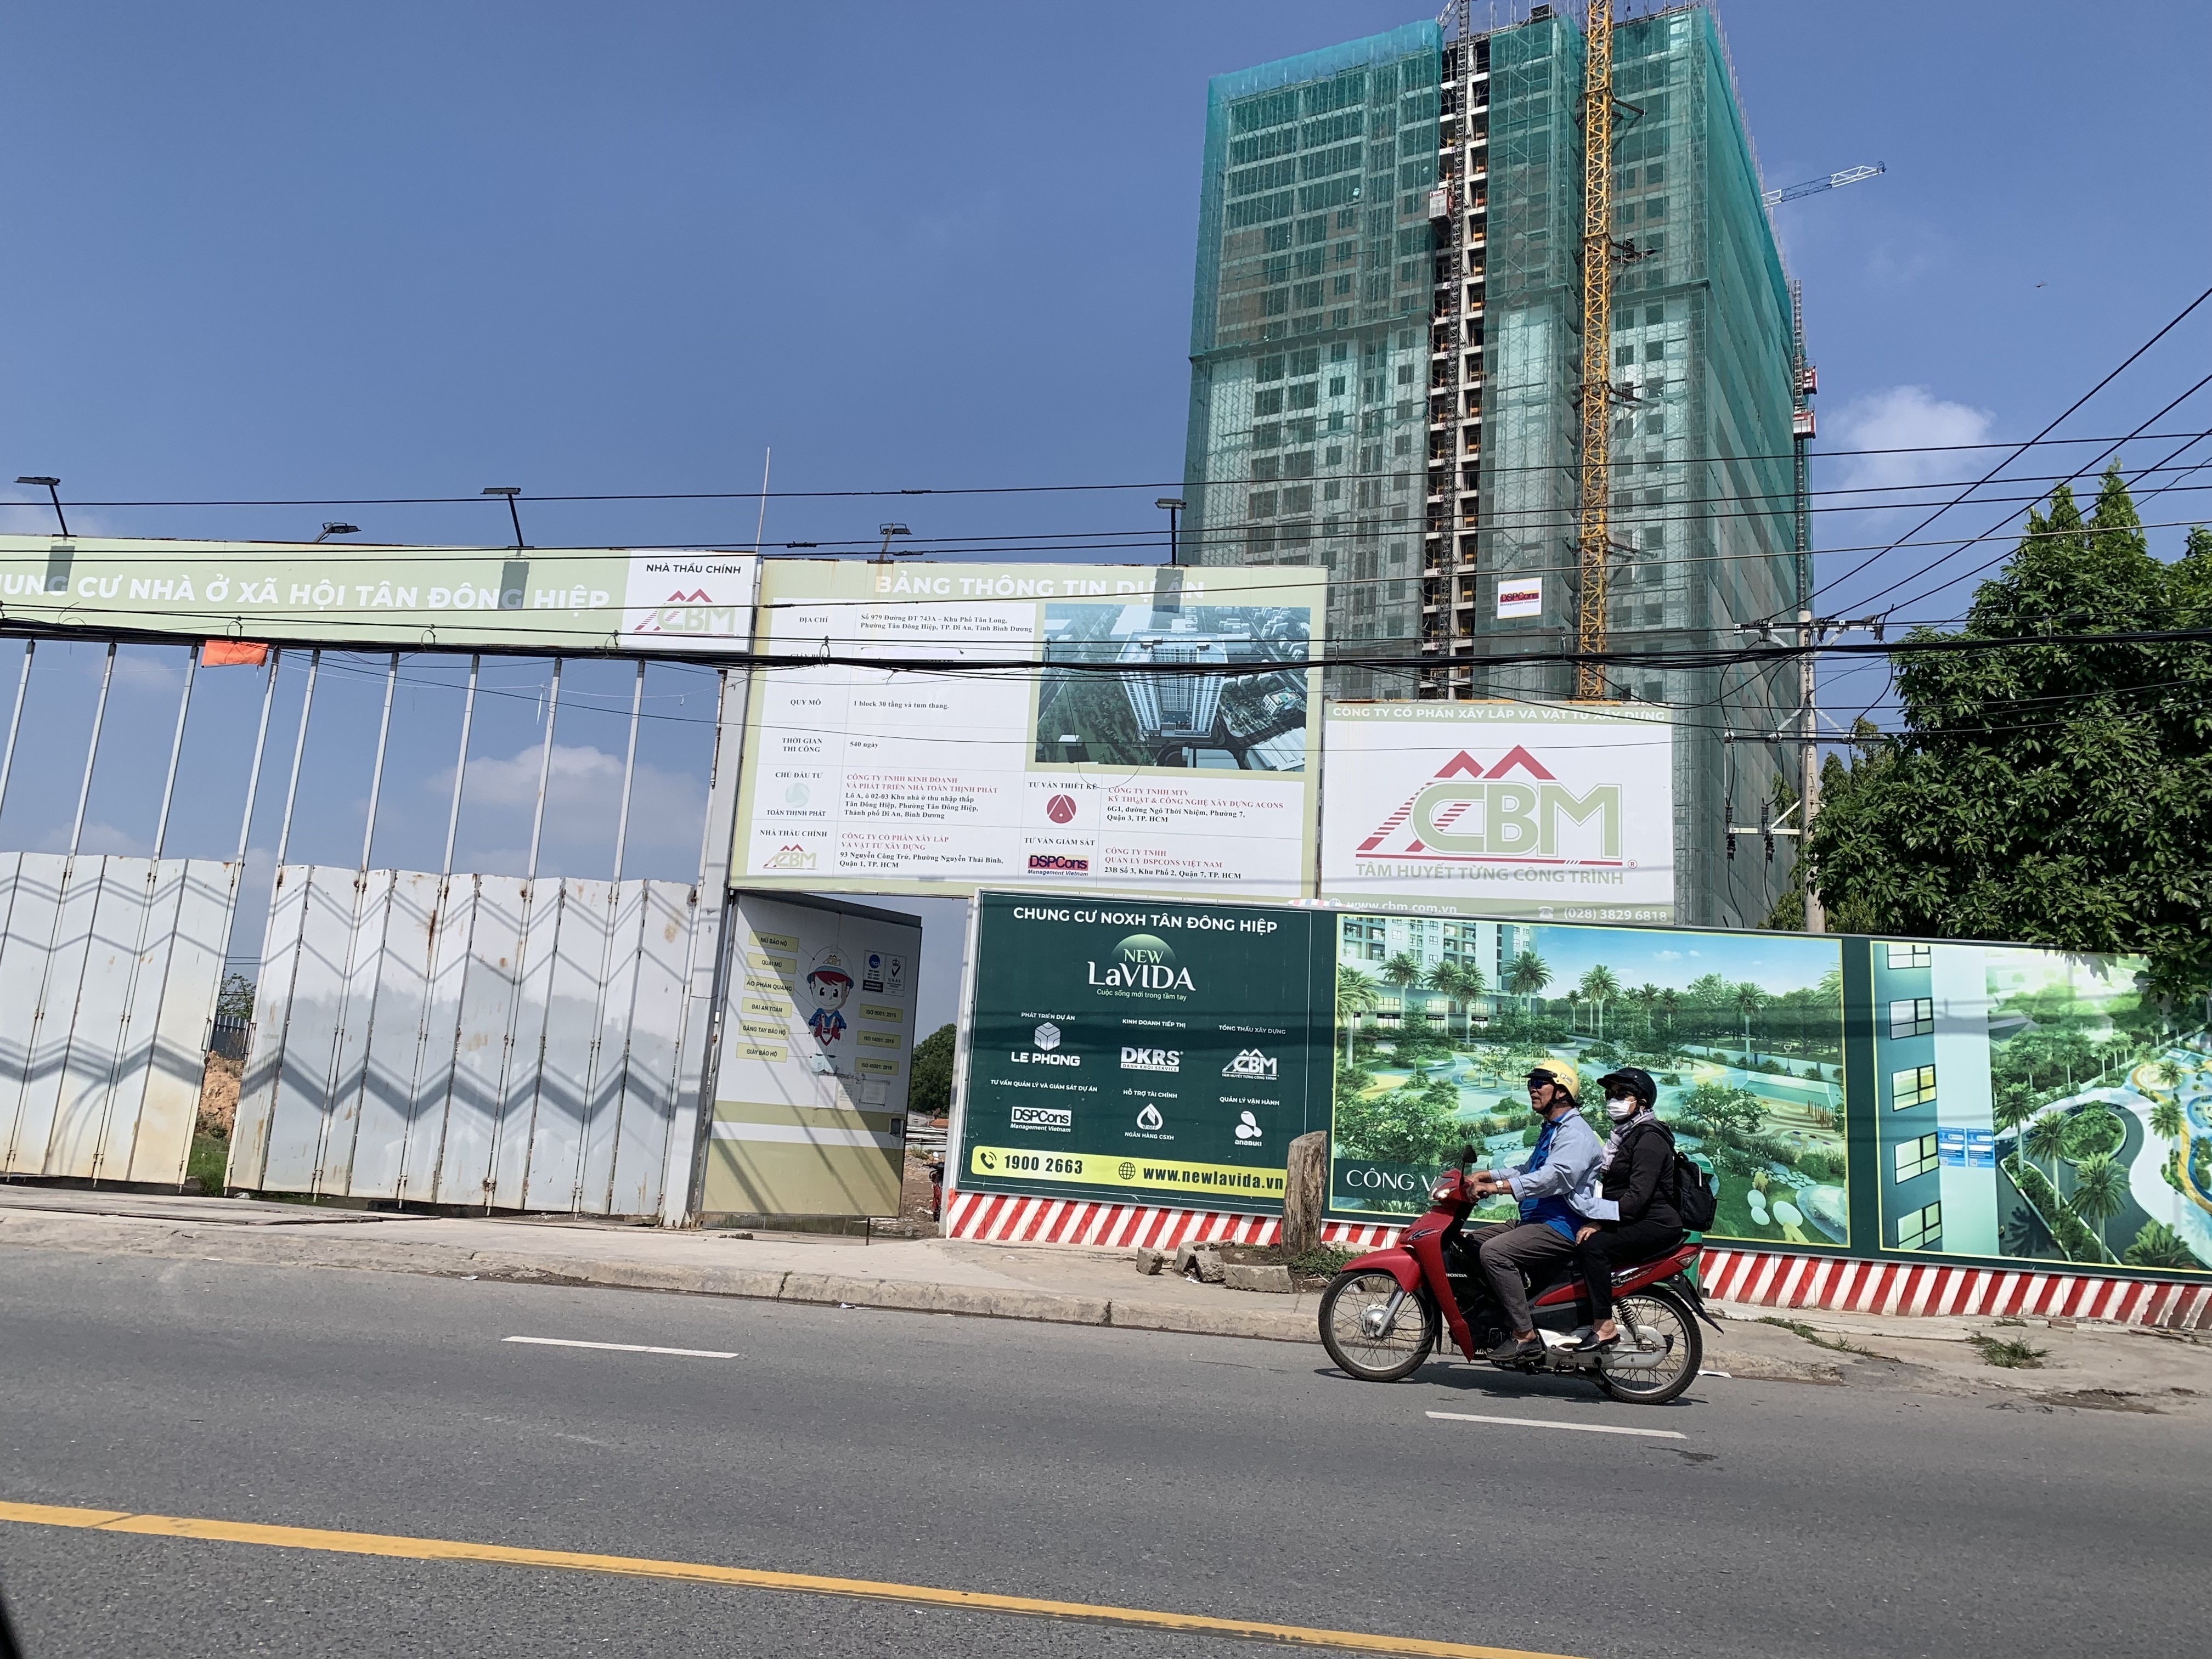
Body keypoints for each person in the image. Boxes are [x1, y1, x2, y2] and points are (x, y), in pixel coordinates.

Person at [1464, 1061, 1605, 1362]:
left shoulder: (1575, 1133)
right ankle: (1501, 1315)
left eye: (1540, 1082)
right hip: (1535, 1219)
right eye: (1532, 1082)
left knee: (1494, 1253)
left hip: (1560, 1225)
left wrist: (1497, 1188)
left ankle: (1524, 1336)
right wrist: (1486, 1175)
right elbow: (1529, 1169)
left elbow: (1552, 1178)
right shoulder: (1552, 1128)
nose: (1533, 1087)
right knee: (1471, 1243)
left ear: (1561, 1092)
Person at [1572, 1066, 1685, 1353]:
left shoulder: (1649, 1138)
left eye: (1623, 1094)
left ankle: (1604, 1328)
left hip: (1655, 1223)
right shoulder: (1625, 1136)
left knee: (1593, 1246)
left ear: (1642, 1102)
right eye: (1611, 1094)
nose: (1614, 1100)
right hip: (1637, 1218)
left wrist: (1598, 1222)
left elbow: (1636, 1198)